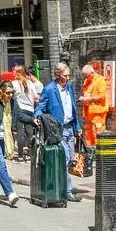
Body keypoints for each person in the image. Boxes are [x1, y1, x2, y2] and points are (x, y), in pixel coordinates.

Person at [34, 62, 82, 202]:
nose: (68, 77)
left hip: (70, 128)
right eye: (66, 75)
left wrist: (77, 127)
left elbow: (73, 108)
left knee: (70, 159)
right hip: (57, 129)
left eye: (69, 75)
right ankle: (67, 191)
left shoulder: (69, 87)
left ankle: (60, 187)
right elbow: (41, 107)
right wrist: (37, 117)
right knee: (65, 158)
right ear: (58, 75)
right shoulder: (49, 89)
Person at [11, 65, 40, 160]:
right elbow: (36, 97)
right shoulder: (30, 83)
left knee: (20, 132)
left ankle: (20, 156)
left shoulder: (14, 83)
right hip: (30, 110)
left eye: (14, 71)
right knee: (29, 132)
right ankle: (28, 155)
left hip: (20, 109)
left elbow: (11, 96)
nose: (13, 72)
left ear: (18, 72)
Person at [80, 64, 109, 148]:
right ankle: (90, 150)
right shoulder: (87, 81)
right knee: (89, 133)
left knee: (98, 132)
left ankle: (100, 151)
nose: (85, 78)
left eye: (87, 76)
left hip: (98, 112)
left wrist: (88, 98)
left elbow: (102, 96)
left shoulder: (100, 81)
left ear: (92, 73)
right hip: (88, 111)